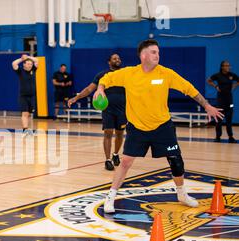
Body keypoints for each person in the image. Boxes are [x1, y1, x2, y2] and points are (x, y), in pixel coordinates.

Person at [93, 39, 223, 213]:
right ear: (143, 55)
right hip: (137, 127)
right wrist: (100, 89)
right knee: (125, 162)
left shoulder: (166, 74)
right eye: (154, 52)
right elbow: (106, 78)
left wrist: (206, 105)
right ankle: (110, 197)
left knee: (176, 160)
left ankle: (181, 194)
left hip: (162, 126)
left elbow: (189, 88)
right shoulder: (129, 74)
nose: (158, 55)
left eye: (158, 52)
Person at [68, 54, 126, 171]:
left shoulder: (125, 74)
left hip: (122, 109)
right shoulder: (102, 75)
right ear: (109, 62)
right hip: (107, 109)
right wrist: (76, 98)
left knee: (120, 134)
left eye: (119, 58)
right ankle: (107, 160)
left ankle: (115, 154)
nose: (117, 60)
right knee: (108, 133)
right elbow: (89, 89)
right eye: (114, 58)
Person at [207, 60, 238, 143]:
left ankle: (230, 137)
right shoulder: (218, 75)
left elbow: (238, 81)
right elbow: (209, 80)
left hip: (229, 101)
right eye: (226, 65)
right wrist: (216, 86)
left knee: (229, 120)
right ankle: (218, 137)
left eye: (229, 65)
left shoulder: (232, 75)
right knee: (219, 120)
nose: (228, 67)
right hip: (220, 101)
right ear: (222, 67)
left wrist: (234, 86)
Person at [12, 54, 39, 135]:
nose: (30, 65)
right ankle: (25, 130)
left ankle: (28, 130)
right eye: (28, 64)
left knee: (29, 114)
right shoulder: (20, 71)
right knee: (25, 113)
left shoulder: (33, 70)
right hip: (23, 96)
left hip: (32, 96)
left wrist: (28, 57)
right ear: (24, 64)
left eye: (31, 64)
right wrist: (21, 59)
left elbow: (37, 60)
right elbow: (14, 64)